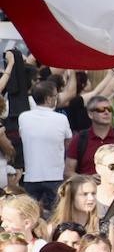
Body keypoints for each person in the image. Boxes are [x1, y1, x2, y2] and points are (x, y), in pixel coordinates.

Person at [17, 81, 71, 210]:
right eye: (55, 96)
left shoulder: (23, 117)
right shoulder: (61, 118)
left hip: (31, 176)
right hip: (55, 176)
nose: (56, 99)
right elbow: (68, 141)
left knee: (30, 214)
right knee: (55, 214)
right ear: (48, 99)